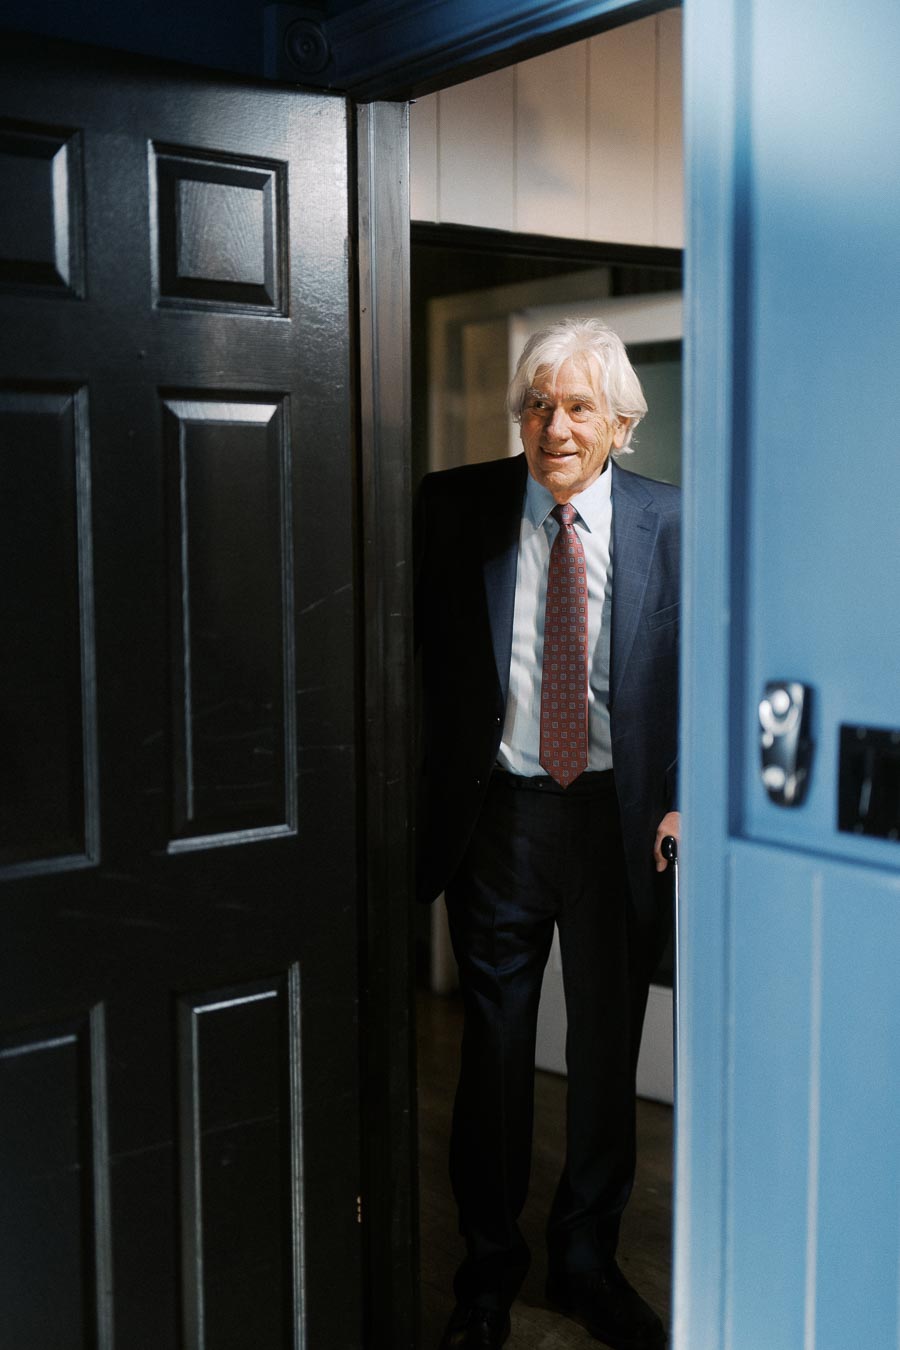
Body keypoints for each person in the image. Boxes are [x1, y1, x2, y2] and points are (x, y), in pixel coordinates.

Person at [415, 317, 680, 1350]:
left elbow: (713, 666)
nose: (553, 426)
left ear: (620, 423)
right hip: (501, 822)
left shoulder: (673, 522)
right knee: (494, 1057)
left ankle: (585, 1261)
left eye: (577, 408)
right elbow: (414, 670)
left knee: (607, 1058)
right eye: (537, 405)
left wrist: (687, 793)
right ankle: (487, 1275)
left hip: (620, 827)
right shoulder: (454, 507)